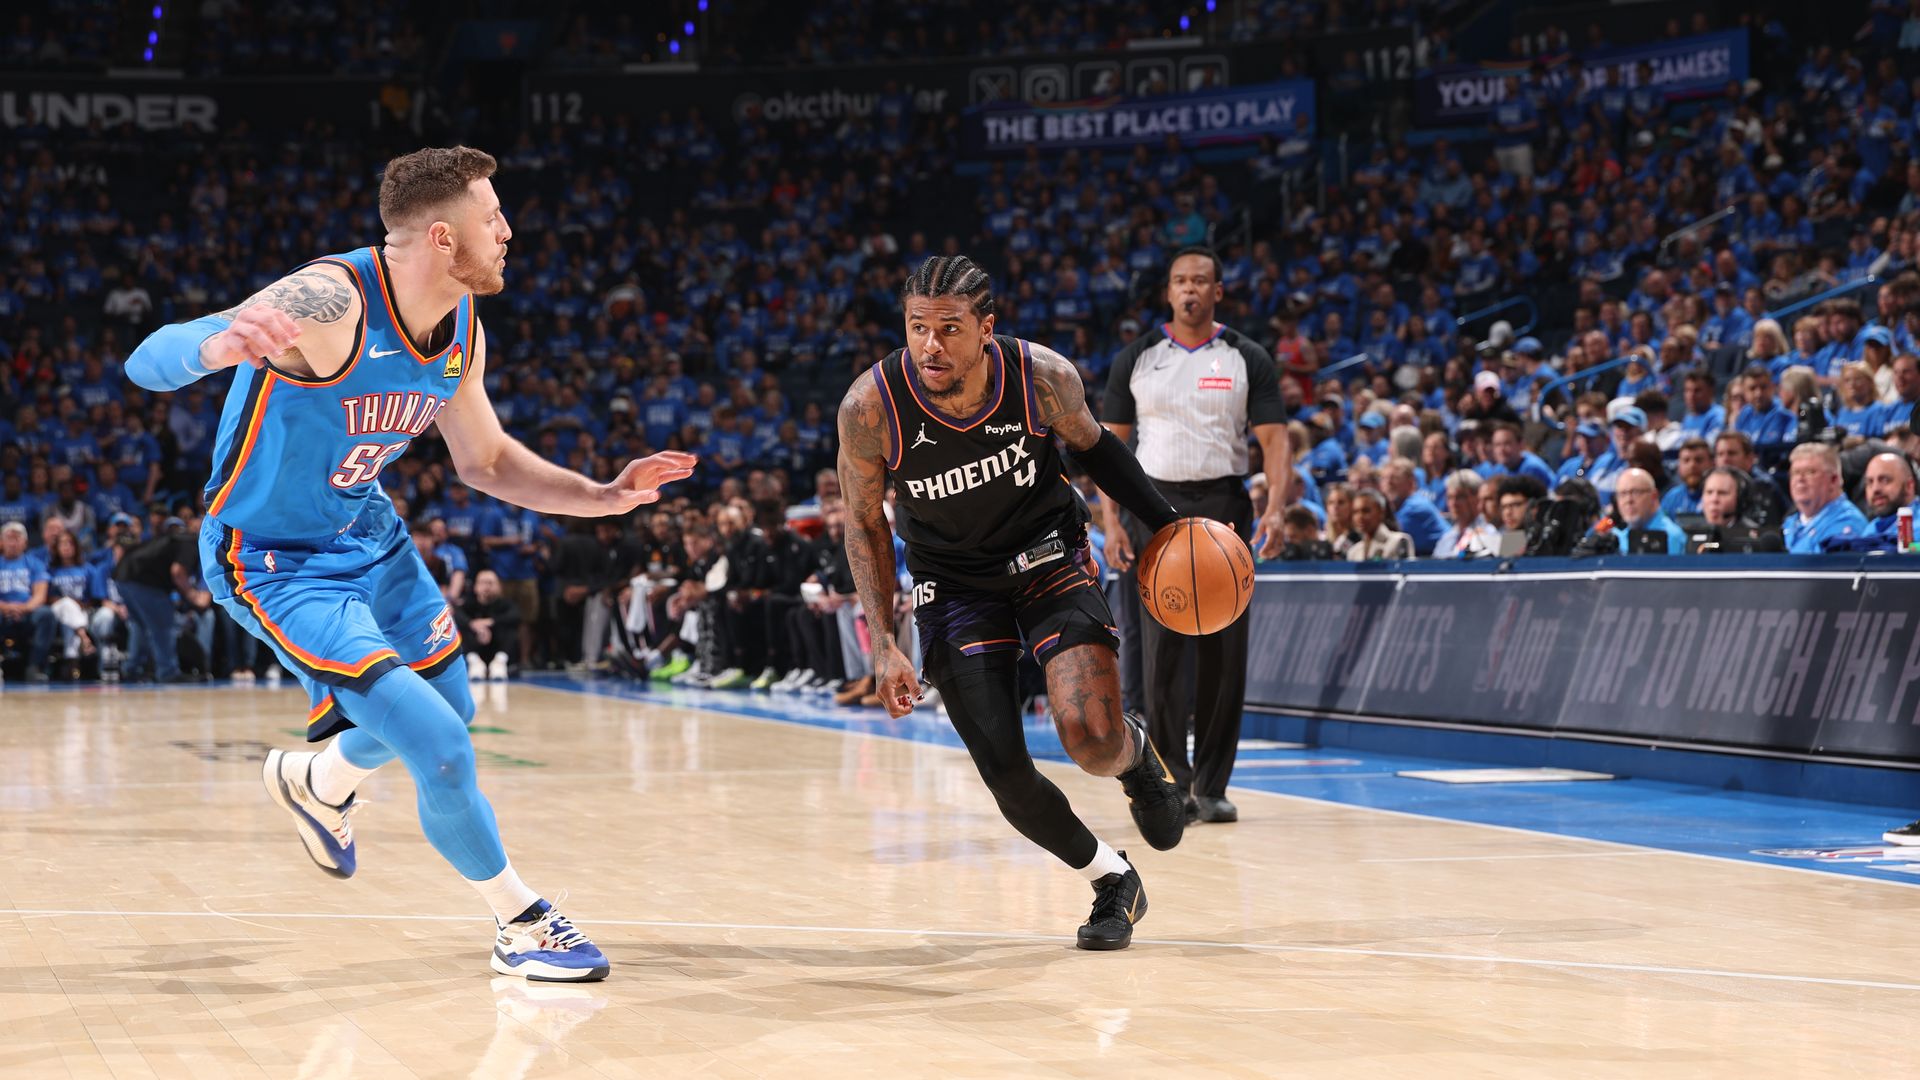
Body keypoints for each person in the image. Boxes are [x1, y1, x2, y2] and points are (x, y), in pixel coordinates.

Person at [123, 146, 697, 982]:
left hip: (372, 536)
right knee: (436, 742)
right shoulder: (328, 304)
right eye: (491, 216)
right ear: (439, 235)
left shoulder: (462, 321)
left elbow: (488, 462)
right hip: (276, 560)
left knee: (452, 703)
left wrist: (606, 496)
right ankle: (521, 921)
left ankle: (318, 779)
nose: (507, 230)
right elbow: (148, 359)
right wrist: (215, 347)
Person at [837, 254, 1189, 951]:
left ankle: (1135, 755)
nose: (931, 345)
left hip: (1046, 558)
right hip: (953, 585)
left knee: (1089, 739)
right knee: (1003, 770)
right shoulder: (870, 409)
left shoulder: (1042, 377)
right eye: (917, 328)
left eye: (948, 328)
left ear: (986, 328)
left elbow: (1097, 452)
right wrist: (884, 643)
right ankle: (1112, 879)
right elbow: (865, 523)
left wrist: (1169, 525)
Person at [1101, 246, 1290, 829]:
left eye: (1200, 281)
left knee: (1223, 656)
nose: (1189, 289)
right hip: (1153, 507)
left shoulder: (1246, 357)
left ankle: (1212, 787)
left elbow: (1276, 440)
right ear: (1168, 291)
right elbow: (1108, 445)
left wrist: (1277, 509)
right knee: (1160, 657)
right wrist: (1110, 521)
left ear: (1217, 292)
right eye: (1180, 280)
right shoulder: (1137, 357)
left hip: (1223, 507)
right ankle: (1170, 783)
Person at [1782, 442, 1870, 553]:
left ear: (1834, 480)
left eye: (1810, 472)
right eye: (1795, 472)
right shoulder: (1790, 523)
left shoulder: (1847, 525)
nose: (1800, 479)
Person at [1592, 468, 1687, 553]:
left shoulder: (1671, 537)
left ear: (1654, 496)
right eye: (1623, 494)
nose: (1628, 500)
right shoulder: (1615, 538)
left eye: (1635, 492)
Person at [459, 569, 520, 681]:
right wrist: (473, 624)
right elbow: (457, 616)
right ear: (475, 586)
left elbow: (515, 616)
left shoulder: (506, 604)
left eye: (490, 583)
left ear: (499, 586)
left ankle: (499, 663)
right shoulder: (468, 604)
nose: (486, 587)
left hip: (498, 649)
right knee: (458, 628)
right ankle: (474, 662)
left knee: (510, 626)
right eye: (482, 583)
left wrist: (490, 622)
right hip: (475, 649)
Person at [1379, 457, 1446, 555]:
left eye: (1395, 478)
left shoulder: (1416, 507)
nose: (1388, 483)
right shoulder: (1397, 506)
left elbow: (1386, 537)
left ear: (1411, 482)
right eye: (1384, 478)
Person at [1434, 470, 1500, 558]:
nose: (1453, 503)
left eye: (1460, 497)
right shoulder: (1447, 538)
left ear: (1477, 497)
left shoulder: (1488, 533)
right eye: (1450, 497)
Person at [1861, 451, 1918, 545]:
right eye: (1870, 482)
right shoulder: (1870, 529)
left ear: (1909, 485)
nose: (1875, 489)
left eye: (1885, 480)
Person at [1343, 489, 1413, 560]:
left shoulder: (1399, 541)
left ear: (1381, 512)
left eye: (1366, 511)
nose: (1360, 517)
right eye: (1355, 512)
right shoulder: (1353, 551)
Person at [1661, 438, 1713, 516]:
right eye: (1686, 460)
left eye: (1698, 460)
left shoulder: (1719, 497)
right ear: (1679, 466)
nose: (1692, 465)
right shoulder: (1671, 498)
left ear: (1712, 464)